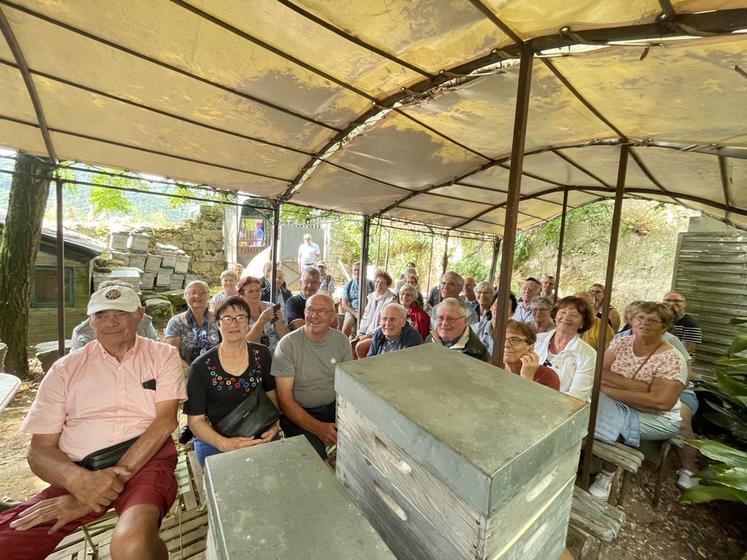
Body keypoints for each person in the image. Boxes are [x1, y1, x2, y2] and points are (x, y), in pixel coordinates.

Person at [0, 285, 186, 559]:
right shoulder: (65, 369)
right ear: (90, 320)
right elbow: (39, 451)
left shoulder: (162, 356)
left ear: (139, 315)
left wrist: (97, 489)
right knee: (7, 542)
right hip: (77, 471)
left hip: (147, 461)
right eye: (100, 315)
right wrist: (80, 483)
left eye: (120, 313)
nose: (110, 322)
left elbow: (165, 422)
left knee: (131, 543)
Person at [588, 302, 686, 500]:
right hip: (622, 404)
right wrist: (633, 386)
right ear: (632, 321)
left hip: (659, 418)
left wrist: (608, 390)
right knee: (586, 409)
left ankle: (607, 474)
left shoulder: (672, 358)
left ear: (664, 327)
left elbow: (661, 402)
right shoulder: (621, 343)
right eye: (640, 318)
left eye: (652, 320)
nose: (644, 323)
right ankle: (590, 462)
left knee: (612, 423)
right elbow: (598, 372)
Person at [184, 297, 280, 467]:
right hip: (216, 439)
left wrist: (275, 426)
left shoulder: (262, 354)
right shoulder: (201, 366)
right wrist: (225, 444)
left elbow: (272, 396)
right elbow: (195, 421)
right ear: (218, 323)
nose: (234, 324)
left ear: (248, 322)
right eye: (227, 318)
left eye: (241, 317)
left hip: (260, 432)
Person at [272, 294, 353, 459]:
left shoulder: (342, 341)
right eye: (310, 310)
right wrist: (319, 429)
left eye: (322, 311)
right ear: (304, 312)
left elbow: (348, 388)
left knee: (358, 449)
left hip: (334, 410)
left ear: (332, 316)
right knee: (313, 456)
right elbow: (285, 401)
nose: (314, 316)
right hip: (299, 414)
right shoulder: (288, 345)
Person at [534, 296, 596, 401]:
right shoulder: (537, 340)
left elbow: (577, 395)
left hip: (560, 407)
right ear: (554, 316)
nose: (566, 317)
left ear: (582, 323)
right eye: (562, 312)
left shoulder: (588, 354)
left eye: (574, 315)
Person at [70, 282, 158, 350]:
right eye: (103, 315)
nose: (111, 323)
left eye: (122, 314)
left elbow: (156, 352)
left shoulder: (144, 323)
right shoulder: (82, 334)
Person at [164, 280, 221, 369]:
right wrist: (192, 372)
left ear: (209, 296)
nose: (197, 296)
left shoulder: (219, 319)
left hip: (217, 370)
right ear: (185, 296)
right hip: (187, 372)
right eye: (192, 292)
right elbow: (171, 354)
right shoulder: (176, 322)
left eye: (202, 292)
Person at [501, 320, 560, 390]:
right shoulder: (491, 366)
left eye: (514, 340)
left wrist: (527, 379)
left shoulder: (547, 376)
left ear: (530, 348)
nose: (506, 345)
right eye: (503, 339)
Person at [237, 276, 289, 352]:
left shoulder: (271, 307)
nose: (255, 293)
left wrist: (279, 322)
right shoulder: (239, 315)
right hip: (254, 356)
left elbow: (285, 337)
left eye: (258, 290)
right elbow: (246, 344)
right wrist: (261, 321)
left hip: (278, 353)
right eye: (251, 291)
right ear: (242, 294)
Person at [354, 271, 397, 358]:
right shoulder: (372, 297)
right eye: (377, 282)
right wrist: (361, 332)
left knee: (359, 347)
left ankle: (364, 368)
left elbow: (385, 325)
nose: (378, 285)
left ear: (388, 285)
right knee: (352, 344)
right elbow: (365, 317)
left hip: (382, 334)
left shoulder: (391, 300)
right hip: (368, 332)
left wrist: (367, 335)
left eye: (382, 283)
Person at [340, 262, 374, 338]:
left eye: (359, 270)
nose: (357, 272)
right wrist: (355, 313)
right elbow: (344, 304)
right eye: (355, 270)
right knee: (347, 325)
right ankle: (342, 344)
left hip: (368, 310)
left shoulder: (371, 284)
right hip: (352, 310)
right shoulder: (349, 284)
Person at [663, 291, 702, 356]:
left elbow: (686, 350)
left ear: (684, 304)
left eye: (677, 301)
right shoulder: (660, 320)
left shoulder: (690, 323)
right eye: (668, 300)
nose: (671, 303)